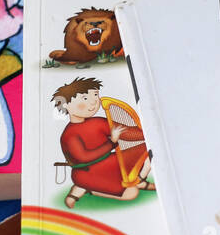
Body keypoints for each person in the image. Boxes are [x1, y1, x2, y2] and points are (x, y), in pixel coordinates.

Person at [52, 77, 151, 208]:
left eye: (95, 96)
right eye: (85, 99)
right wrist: (112, 142)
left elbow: (124, 133)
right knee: (132, 194)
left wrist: (146, 134)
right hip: (87, 172)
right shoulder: (69, 135)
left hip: (113, 162)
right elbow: (83, 157)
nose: (93, 103)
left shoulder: (98, 122)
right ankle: (87, 189)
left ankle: (138, 181)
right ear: (66, 104)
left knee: (149, 151)